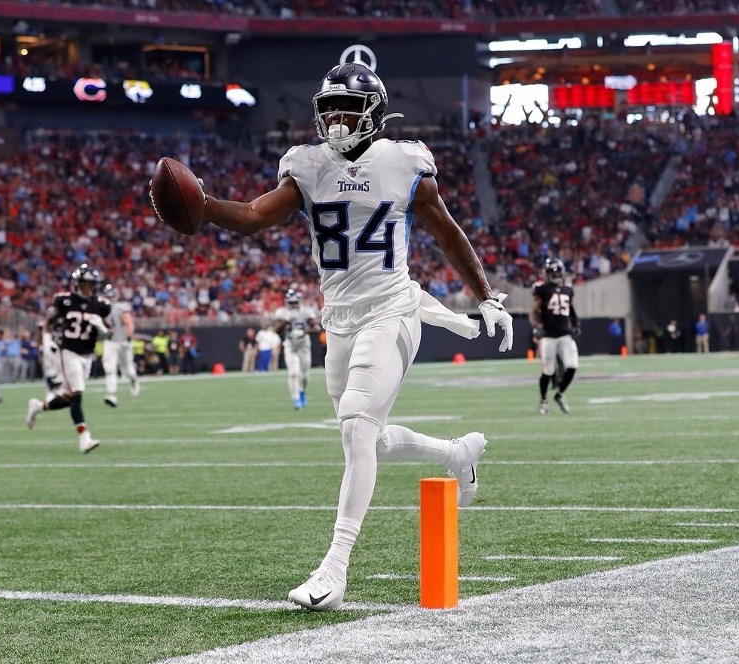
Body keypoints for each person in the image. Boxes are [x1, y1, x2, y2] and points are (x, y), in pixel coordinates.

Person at [190, 62, 513, 611]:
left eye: (348, 108)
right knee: (371, 438)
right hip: (339, 320)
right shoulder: (308, 166)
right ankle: (457, 453)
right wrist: (200, 207)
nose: (337, 119)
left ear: (376, 114)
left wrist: (485, 297)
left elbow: (449, 235)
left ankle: (334, 568)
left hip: (392, 311)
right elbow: (249, 217)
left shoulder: (404, 162)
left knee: (357, 424)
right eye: (330, 108)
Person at [25, 263, 111, 454]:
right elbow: (49, 321)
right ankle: (84, 437)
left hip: (87, 355)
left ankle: (39, 406)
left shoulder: (100, 305)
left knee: (69, 397)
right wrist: (45, 339)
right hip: (68, 352)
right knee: (78, 392)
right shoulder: (64, 301)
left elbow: (109, 333)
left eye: (90, 284)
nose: (87, 287)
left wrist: (103, 330)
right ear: (76, 284)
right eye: (84, 283)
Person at [530, 257, 580, 415]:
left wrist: (576, 324)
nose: (556, 275)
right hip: (548, 336)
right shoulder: (542, 290)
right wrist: (538, 327)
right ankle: (544, 400)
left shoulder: (568, 290)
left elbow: (571, 312)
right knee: (548, 371)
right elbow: (534, 312)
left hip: (565, 335)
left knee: (572, 366)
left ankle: (560, 394)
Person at [274, 286, 321, 409]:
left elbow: (316, 328)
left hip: (303, 344)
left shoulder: (306, 311)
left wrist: (304, 332)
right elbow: (276, 330)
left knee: (305, 375)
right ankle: (296, 399)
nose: (293, 305)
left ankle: (301, 391)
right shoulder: (282, 312)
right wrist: (286, 321)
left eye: (295, 302)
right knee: (293, 373)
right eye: (291, 303)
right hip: (289, 344)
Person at [101, 283, 140, 407]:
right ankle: (111, 395)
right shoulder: (101, 309)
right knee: (109, 368)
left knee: (127, 369)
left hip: (122, 341)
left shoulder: (121, 308)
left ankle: (134, 379)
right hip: (110, 341)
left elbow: (129, 323)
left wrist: (128, 337)